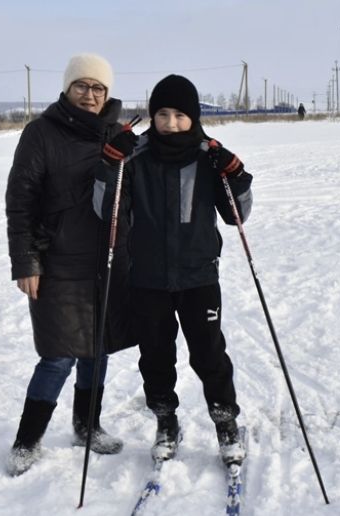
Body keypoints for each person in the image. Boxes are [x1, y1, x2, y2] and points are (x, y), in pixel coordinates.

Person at [94, 74, 252, 466]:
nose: (170, 122)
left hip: (198, 277)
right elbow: (104, 211)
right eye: (162, 114)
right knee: (156, 355)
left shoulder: (207, 157)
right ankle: (166, 421)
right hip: (147, 277)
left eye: (179, 115)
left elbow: (237, 215)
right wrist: (108, 166)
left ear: (193, 117)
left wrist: (235, 174)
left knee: (209, 355)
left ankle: (225, 422)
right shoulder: (136, 156)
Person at [4, 53, 132, 476]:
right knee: (58, 355)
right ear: (67, 88)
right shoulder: (41, 133)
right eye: (82, 85)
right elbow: (20, 201)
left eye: (98, 87)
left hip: (107, 260)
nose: (90, 94)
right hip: (56, 261)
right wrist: (26, 261)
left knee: (97, 349)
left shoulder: (118, 134)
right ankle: (27, 440)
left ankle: (87, 425)